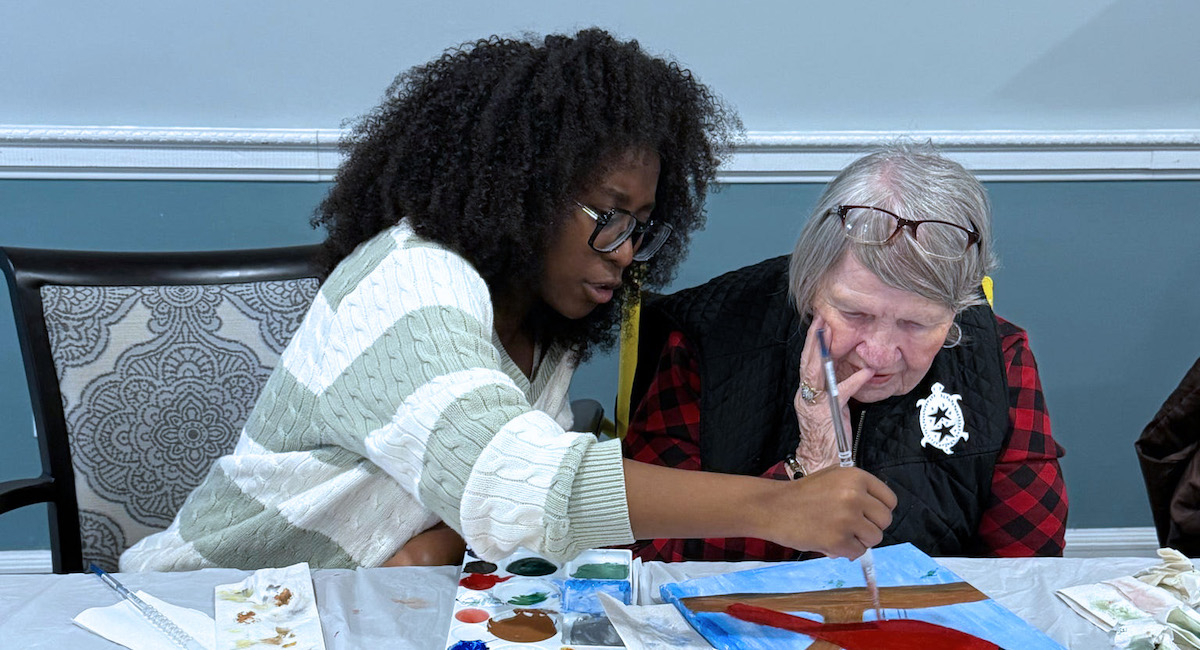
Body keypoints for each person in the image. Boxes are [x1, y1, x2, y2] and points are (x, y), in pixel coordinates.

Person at [121, 29, 890, 572]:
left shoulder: (538, 323)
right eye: (608, 215)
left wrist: (438, 547)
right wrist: (773, 508)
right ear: (525, 190)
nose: (625, 252)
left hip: (351, 610)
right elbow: (512, 486)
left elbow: (488, 519)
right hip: (211, 611)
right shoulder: (410, 281)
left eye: (642, 227)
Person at [623, 144, 1069, 561]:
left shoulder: (1000, 357)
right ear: (810, 284)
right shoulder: (709, 340)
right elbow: (648, 556)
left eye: (915, 323)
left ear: (955, 313)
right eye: (854, 313)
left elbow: (1029, 565)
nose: (877, 354)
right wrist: (808, 465)